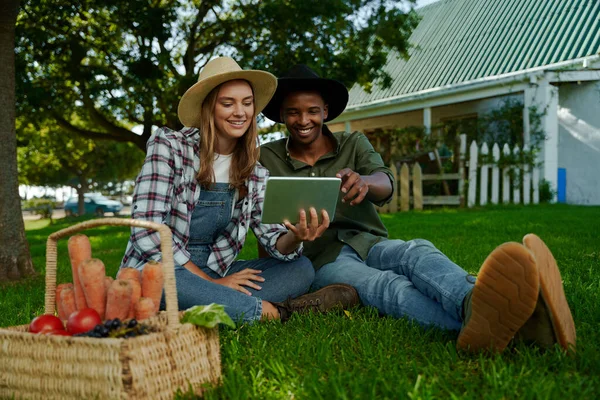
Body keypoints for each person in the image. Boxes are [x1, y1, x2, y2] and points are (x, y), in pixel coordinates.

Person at [258, 64, 576, 353]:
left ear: (325, 111)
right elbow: (260, 218)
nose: (303, 120)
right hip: (318, 259)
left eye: (312, 110)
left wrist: (366, 182)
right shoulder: (266, 157)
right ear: (282, 116)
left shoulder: (353, 143)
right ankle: (521, 329)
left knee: (417, 252)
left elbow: (387, 180)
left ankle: (473, 303)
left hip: (367, 241)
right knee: (384, 286)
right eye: (293, 112)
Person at [120, 57, 360, 324]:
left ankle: (206, 307)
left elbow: (273, 240)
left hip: (215, 269)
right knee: (155, 282)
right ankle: (277, 312)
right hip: (162, 270)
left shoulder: (254, 171)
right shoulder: (169, 146)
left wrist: (296, 236)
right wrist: (215, 284)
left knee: (300, 268)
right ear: (208, 107)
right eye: (228, 103)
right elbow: (147, 231)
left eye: (247, 103)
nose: (240, 112)